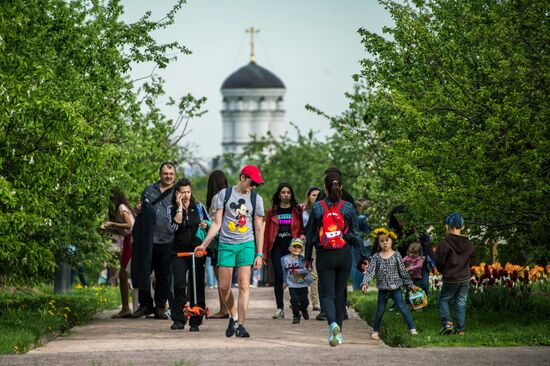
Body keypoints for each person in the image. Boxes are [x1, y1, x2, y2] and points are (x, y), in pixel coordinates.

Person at [195, 165, 265, 338]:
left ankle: (241, 325)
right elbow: (217, 224)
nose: (253, 186)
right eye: (252, 182)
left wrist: (259, 253)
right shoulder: (223, 195)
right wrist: (204, 244)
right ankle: (233, 316)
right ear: (242, 177)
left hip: (246, 244)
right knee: (224, 286)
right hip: (226, 244)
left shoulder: (257, 199)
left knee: (243, 285)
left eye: (256, 184)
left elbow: (258, 228)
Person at [305, 173, 366, 347]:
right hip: (344, 254)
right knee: (340, 296)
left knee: (327, 295)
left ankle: (332, 324)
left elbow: (310, 235)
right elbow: (355, 234)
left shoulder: (317, 207)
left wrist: (308, 257)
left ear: (324, 188)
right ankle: (339, 334)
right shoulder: (348, 207)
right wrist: (363, 255)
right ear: (341, 185)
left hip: (325, 255)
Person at [132, 162, 176, 319]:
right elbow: (140, 210)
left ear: (175, 176)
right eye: (165, 173)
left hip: (168, 239)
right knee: (144, 272)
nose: (168, 176)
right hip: (148, 239)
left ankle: (159, 307)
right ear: (160, 174)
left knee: (164, 276)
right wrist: (137, 209)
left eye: (171, 174)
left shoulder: (178, 192)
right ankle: (145, 305)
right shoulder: (148, 190)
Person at [168, 178, 210, 331]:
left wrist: (205, 225)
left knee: (196, 285)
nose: (185, 195)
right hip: (178, 252)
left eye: (188, 192)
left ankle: (195, 320)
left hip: (197, 251)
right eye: (182, 192)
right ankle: (178, 319)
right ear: (177, 193)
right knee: (179, 285)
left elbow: (210, 224)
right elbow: (174, 226)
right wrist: (179, 207)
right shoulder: (171, 208)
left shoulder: (198, 207)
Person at [361, 228, 418, 340]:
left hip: (395, 288)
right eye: (382, 241)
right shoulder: (376, 257)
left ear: (391, 241)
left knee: (402, 307)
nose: (385, 243)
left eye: (387, 240)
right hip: (383, 289)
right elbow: (370, 271)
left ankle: (412, 329)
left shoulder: (396, 255)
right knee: (380, 310)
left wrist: (410, 285)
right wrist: (365, 283)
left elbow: (403, 272)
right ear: (379, 243)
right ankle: (375, 331)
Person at [262, 182, 304, 320]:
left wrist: (302, 239)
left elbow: (301, 229)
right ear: (279, 195)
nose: (286, 194)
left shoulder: (297, 210)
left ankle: (296, 304)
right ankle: (279, 308)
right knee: (279, 278)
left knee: (294, 277)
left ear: (291, 195)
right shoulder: (272, 212)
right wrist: (264, 253)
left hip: (292, 250)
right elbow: (267, 233)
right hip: (277, 249)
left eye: (288, 192)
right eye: (283, 192)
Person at [435, 212, 476, 335]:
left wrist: (444, 271)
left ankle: (447, 323)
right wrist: (466, 269)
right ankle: (460, 330)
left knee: (443, 300)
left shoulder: (444, 243)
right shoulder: (468, 243)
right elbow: (473, 259)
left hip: (451, 277)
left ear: (447, 226)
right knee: (461, 302)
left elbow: (439, 261)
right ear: (462, 227)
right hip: (464, 277)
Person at [205, 170, 234, 319]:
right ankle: (226, 308)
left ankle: (224, 309)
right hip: (229, 238)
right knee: (224, 276)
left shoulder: (217, 197)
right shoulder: (229, 195)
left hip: (217, 240)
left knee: (220, 276)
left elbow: (214, 219)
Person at [103, 188, 135, 318]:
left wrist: (112, 223)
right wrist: (110, 230)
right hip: (128, 239)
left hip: (133, 240)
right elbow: (123, 230)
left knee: (124, 274)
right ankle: (125, 307)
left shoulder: (121, 207)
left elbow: (129, 225)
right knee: (123, 274)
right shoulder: (116, 209)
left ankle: (126, 308)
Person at [281, 238, 312, 324]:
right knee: (294, 300)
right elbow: (284, 271)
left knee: (304, 301)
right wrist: (284, 281)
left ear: (302, 249)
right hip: (292, 284)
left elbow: (309, 270)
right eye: (294, 246)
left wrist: (300, 271)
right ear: (290, 248)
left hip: (303, 284)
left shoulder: (303, 259)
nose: (296, 248)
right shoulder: (285, 259)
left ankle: (303, 309)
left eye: (299, 247)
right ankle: (296, 316)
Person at [301, 186, 322, 311]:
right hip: (305, 245)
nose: (315, 197)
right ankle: (299, 299)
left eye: (318, 195)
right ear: (308, 196)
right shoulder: (302, 209)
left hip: (319, 243)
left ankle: (316, 302)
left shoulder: (323, 208)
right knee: (305, 272)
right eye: (313, 195)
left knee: (316, 274)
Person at [403, 242, 426, 308]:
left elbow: (420, 265)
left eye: (415, 253)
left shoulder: (419, 259)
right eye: (411, 252)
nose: (412, 254)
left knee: (416, 291)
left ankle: (418, 305)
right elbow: (402, 261)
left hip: (417, 278)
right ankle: (408, 305)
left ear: (419, 253)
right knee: (408, 291)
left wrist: (410, 268)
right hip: (409, 278)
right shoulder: (407, 257)